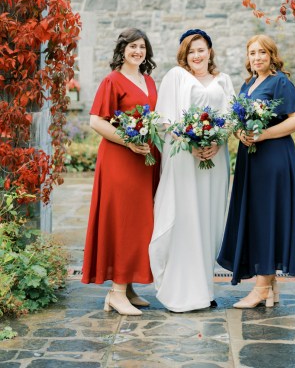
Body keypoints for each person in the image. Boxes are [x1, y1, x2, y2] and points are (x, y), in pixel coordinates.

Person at [149, 29, 235, 312]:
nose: (197, 55)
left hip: (215, 160)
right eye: (191, 51)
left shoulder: (224, 80)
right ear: (184, 55)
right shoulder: (176, 76)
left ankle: (204, 288)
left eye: (201, 49)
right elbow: (164, 119)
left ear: (210, 50)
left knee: (209, 220)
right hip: (185, 159)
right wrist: (190, 143)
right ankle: (183, 291)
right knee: (187, 219)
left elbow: (232, 119)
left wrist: (218, 142)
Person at [217, 34, 295, 308]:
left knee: (267, 218)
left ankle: (260, 288)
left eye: (262, 53)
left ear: (271, 56)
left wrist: (264, 134)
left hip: (273, 159)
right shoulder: (247, 85)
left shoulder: (280, 81)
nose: (257, 58)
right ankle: (271, 287)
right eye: (252, 53)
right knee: (257, 218)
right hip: (251, 159)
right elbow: (240, 120)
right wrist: (241, 132)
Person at [81, 28, 160, 316]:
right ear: (122, 50)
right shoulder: (112, 80)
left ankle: (127, 287)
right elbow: (96, 122)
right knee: (124, 221)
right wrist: (129, 140)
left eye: (142, 47)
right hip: (120, 160)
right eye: (132, 46)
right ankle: (115, 293)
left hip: (144, 160)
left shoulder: (149, 81)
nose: (137, 51)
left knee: (140, 222)